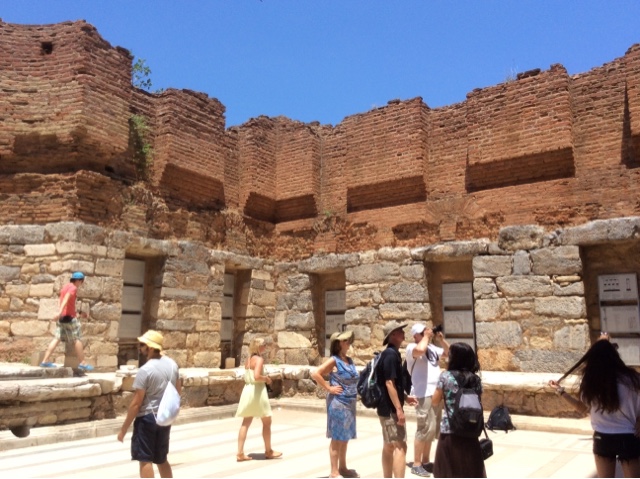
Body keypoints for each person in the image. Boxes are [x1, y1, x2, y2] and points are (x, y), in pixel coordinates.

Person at [549, 333, 640, 478]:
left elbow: (583, 408)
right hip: (628, 436)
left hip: (602, 437)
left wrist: (561, 391)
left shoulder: (591, 383)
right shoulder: (632, 379)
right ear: (615, 356)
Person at [117, 330, 181, 478]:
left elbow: (136, 403)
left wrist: (123, 429)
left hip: (147, 418)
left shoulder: (145, 370)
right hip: (164, 417)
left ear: (151, 348)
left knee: (145, 459)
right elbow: (178, 392)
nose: (140, 348)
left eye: (142, 345)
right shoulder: (173, 365)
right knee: (161, 459)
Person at [431, 342, 485, 478]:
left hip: (450, 431)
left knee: (448, 472)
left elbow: (435, 401)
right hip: (471, 430)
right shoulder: (476, 380)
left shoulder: (446, 376)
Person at [311, 330, 360, 478]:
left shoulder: (349, 360)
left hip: (350, 403)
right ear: (338, 344)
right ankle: (334, 471)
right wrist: (329, 388)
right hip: (338, 403)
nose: (348, 343)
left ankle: (343, 467)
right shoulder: (334, 360)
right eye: (345, 340)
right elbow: (316, 373)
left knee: (345, 437)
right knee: (337, 437)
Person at [406, 324, 449, 477]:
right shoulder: (411, 347)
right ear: (415, 335)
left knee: (432, 429)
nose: (426, 333)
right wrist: (426, 336)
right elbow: (420, 350)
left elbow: (448, 353)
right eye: (422, 332)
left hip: (435, 393)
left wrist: (441, 340)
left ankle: (425, 461)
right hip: (422, 393)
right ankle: (416, 464)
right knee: (424, 428)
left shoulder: (431, 348)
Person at [378, 320, 416, 478]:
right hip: (391, 410)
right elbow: (389, 383)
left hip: (386, 408)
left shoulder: (391, 354)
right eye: (400, 330)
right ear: (393, 335)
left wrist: (405, 397)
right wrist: (399, 410)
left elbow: (391, 383)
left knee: (389, 446)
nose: (403, 332)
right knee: (400, 446)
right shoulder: (391, 355)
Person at [236, 337, 282, 462]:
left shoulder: (248, 359)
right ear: (259, 346)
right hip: (257, 392)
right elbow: (256, 376)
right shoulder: (259, 359)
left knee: (245, 422)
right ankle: (268, 451)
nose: (265, 347)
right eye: (263, 345)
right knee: (267, 421)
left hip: (248, 390)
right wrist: (266, 379)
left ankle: (240, 453)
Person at [40, 271, 93, 371]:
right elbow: (66, 300)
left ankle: (45, 361)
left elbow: (66, 303)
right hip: (69, 318)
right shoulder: (73, 288)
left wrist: (77, 313)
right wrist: (59, 312)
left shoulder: (65, 287)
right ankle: (82, 362)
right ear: (79, 280)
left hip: (62, 318)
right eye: (81, 282)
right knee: (77, 339)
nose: (81, 284)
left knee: (57, 338)